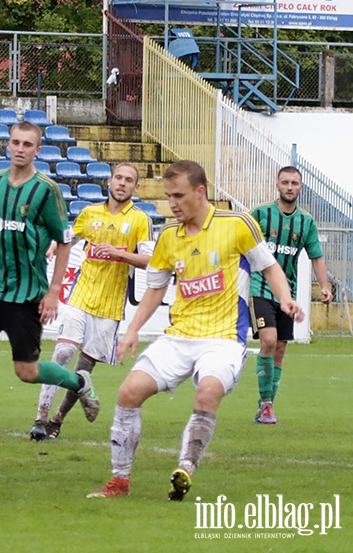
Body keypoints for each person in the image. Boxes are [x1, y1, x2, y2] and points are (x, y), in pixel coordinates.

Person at [88, 160, 304, 501]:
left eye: (179, 195)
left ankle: (185, 469)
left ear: (200, 192)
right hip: (179, 336)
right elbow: (156, 289)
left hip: (223, 339)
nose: (172, 203)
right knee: (128, 392)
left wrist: (287, 298)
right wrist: (132, 330)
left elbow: (269, 266)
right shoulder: (169, 237)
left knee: (207, 393)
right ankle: (119, 481)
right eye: (168, 196)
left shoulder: (237, 225)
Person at [0, 121, 99, 422]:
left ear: (37, 150)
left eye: (27, 144)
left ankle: (79, 382)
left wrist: (53, 292)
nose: (20, 148)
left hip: (27, 293)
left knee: (27, 371)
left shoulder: (45, 190)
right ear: (8, 145)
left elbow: (63, 241)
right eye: (16, 142)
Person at [29, 162, 154, 441]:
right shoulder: (89, 213)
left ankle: (57, 421)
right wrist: (53, 245)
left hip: (109, 308)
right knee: (62, 354)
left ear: (136, 187)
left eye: (129, 180)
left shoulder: (140, 220)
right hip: (80, 297)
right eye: (118, 177)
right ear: (109, 181)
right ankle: (39, 419)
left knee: (83, 370)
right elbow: (69, 237)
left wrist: (120, 254)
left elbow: (149, 260)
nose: (122, 183)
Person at [249, 166, 333, 425]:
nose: (289, 187)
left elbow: (316, 256)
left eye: (294, 183)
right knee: (270, 340)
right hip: (259, 289)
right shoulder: (261, 214)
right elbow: (240, 244)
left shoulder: (305, 222)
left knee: (280, 349)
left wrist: (325, 286)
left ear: (300, 188)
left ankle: (267, 405)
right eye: (285, 182)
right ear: (277, 186)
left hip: (288, 294)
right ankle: (266, 406)